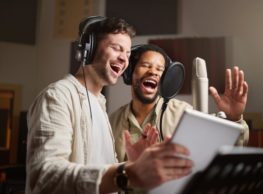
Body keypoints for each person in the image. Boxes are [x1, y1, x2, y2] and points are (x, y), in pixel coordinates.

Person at [25, 16, 193, 194]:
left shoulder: (99, 105)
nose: (123, 59)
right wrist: (128, 172)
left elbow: (102, 172)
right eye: (116, 48)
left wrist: (133, 164)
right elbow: (45, 177)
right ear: (89, 48)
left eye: (127, 54)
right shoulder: (57, 97)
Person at [109, 44, 249, 163]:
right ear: (129, 73)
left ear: (166, 79)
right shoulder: (111, 122)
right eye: (146, 65)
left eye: (160, 69)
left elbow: (221, 150)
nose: (153, 72)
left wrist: (234, 119)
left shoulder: (184, 114)